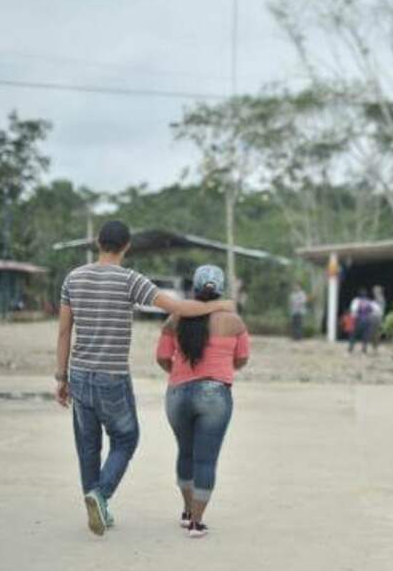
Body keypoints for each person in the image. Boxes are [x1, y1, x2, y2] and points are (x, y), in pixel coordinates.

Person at [56, 220, 235, 537]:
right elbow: (178, 307)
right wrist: (220, 304)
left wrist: (61, 376)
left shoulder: (74, 278)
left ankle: (97, 508)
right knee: (126, 438)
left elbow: (64, 330)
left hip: (79, 374)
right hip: (112, 376)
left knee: (87, 446)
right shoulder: (130, 280)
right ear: (127, 246)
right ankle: (101, 496)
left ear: (98, 242)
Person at [156, 265, 249, 538]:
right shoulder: (234, 322)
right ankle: (197, 523)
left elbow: (162, 357)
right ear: (220, 290)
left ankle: (186, 512)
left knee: (185, 453)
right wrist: (220, 367)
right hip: (216, 394)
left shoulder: (174, 319)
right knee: (205, 461)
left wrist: (179, 374)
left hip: (178, 393)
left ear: (194, 288)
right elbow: (242, 359)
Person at [348, 288, 375, 354]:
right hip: (368, 320)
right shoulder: (370, 302)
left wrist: (353, 318)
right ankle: (364, 349)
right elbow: (375, 311)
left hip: (359, 320)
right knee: (365, 336)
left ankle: (351, 348)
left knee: (354, 334)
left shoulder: (356, 301)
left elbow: (353, 311)